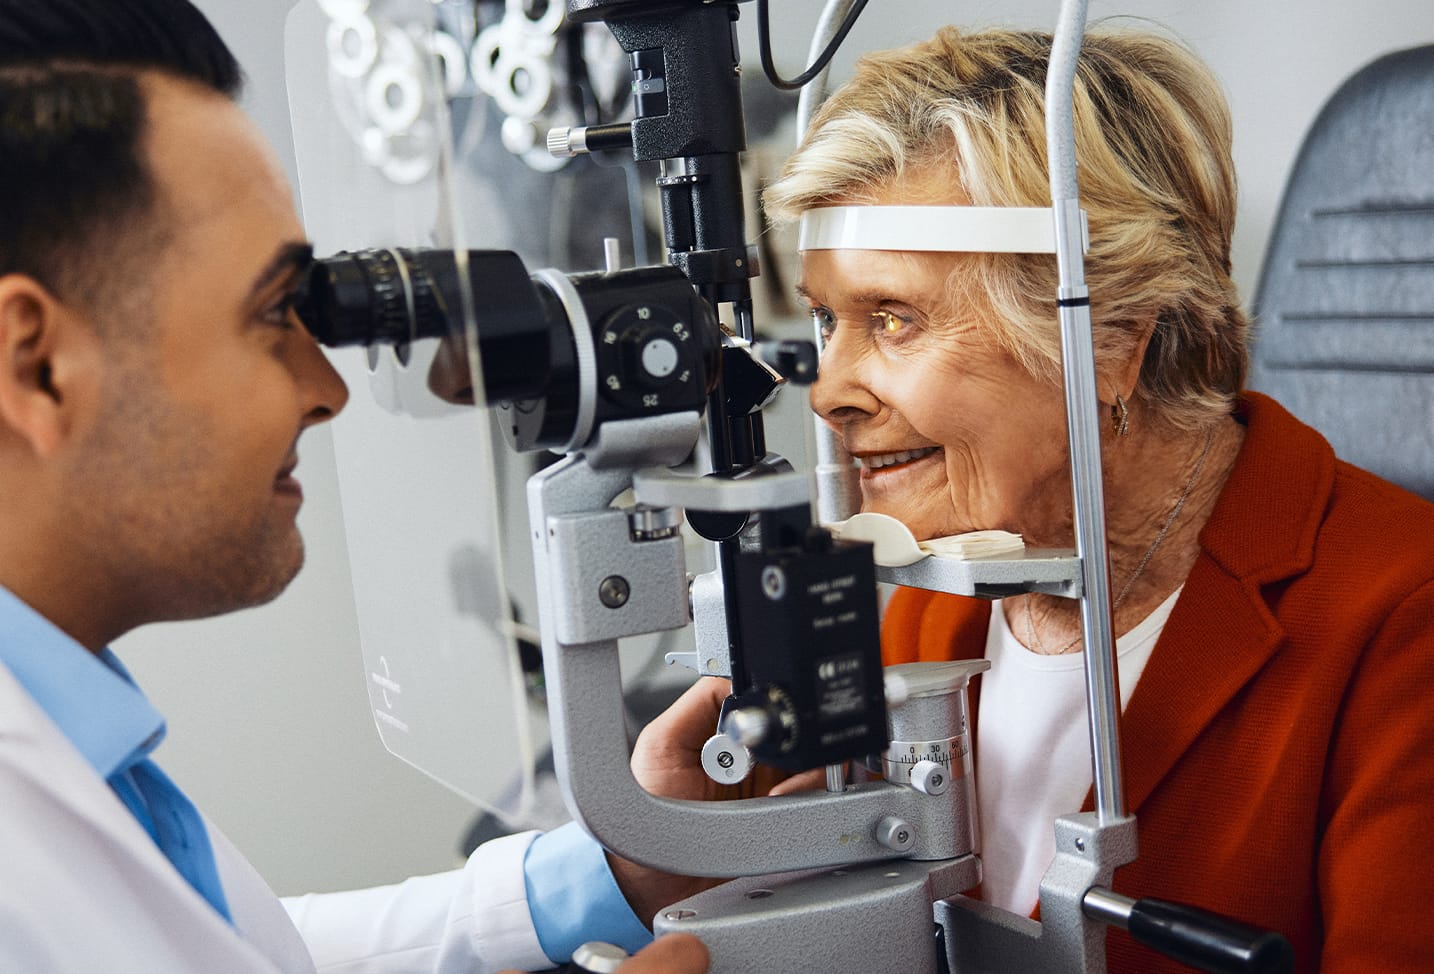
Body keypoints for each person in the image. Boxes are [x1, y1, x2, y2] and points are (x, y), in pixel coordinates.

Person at [0, 1, 707, 971]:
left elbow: (242, 950)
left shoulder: (70, 737)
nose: (327, 390)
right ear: (36, 366)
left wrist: (619, 874)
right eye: (268, 315)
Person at [743, 24, 1434, 973]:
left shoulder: (1401, 622)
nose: (827, 389)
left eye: (893, 319)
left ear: (1110, 339)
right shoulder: (938, 600)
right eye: (827, 320)